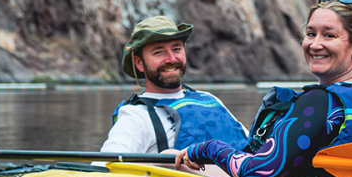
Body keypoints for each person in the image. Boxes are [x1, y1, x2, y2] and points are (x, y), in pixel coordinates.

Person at [175, 0, 352, 177]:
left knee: (169, 159)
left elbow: (258, 174)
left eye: (329, 35)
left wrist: (208, 148)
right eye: (310, 33)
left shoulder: (319, 101)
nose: (315, 44)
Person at [100, 15, 249, 155]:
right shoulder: (136, 116)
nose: (171, 59)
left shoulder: (208, 98)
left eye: (176, 49)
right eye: (159, 52)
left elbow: (250, 145)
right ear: (139, 63)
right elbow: (105, 167)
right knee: (169, 156)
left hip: (249, 176)